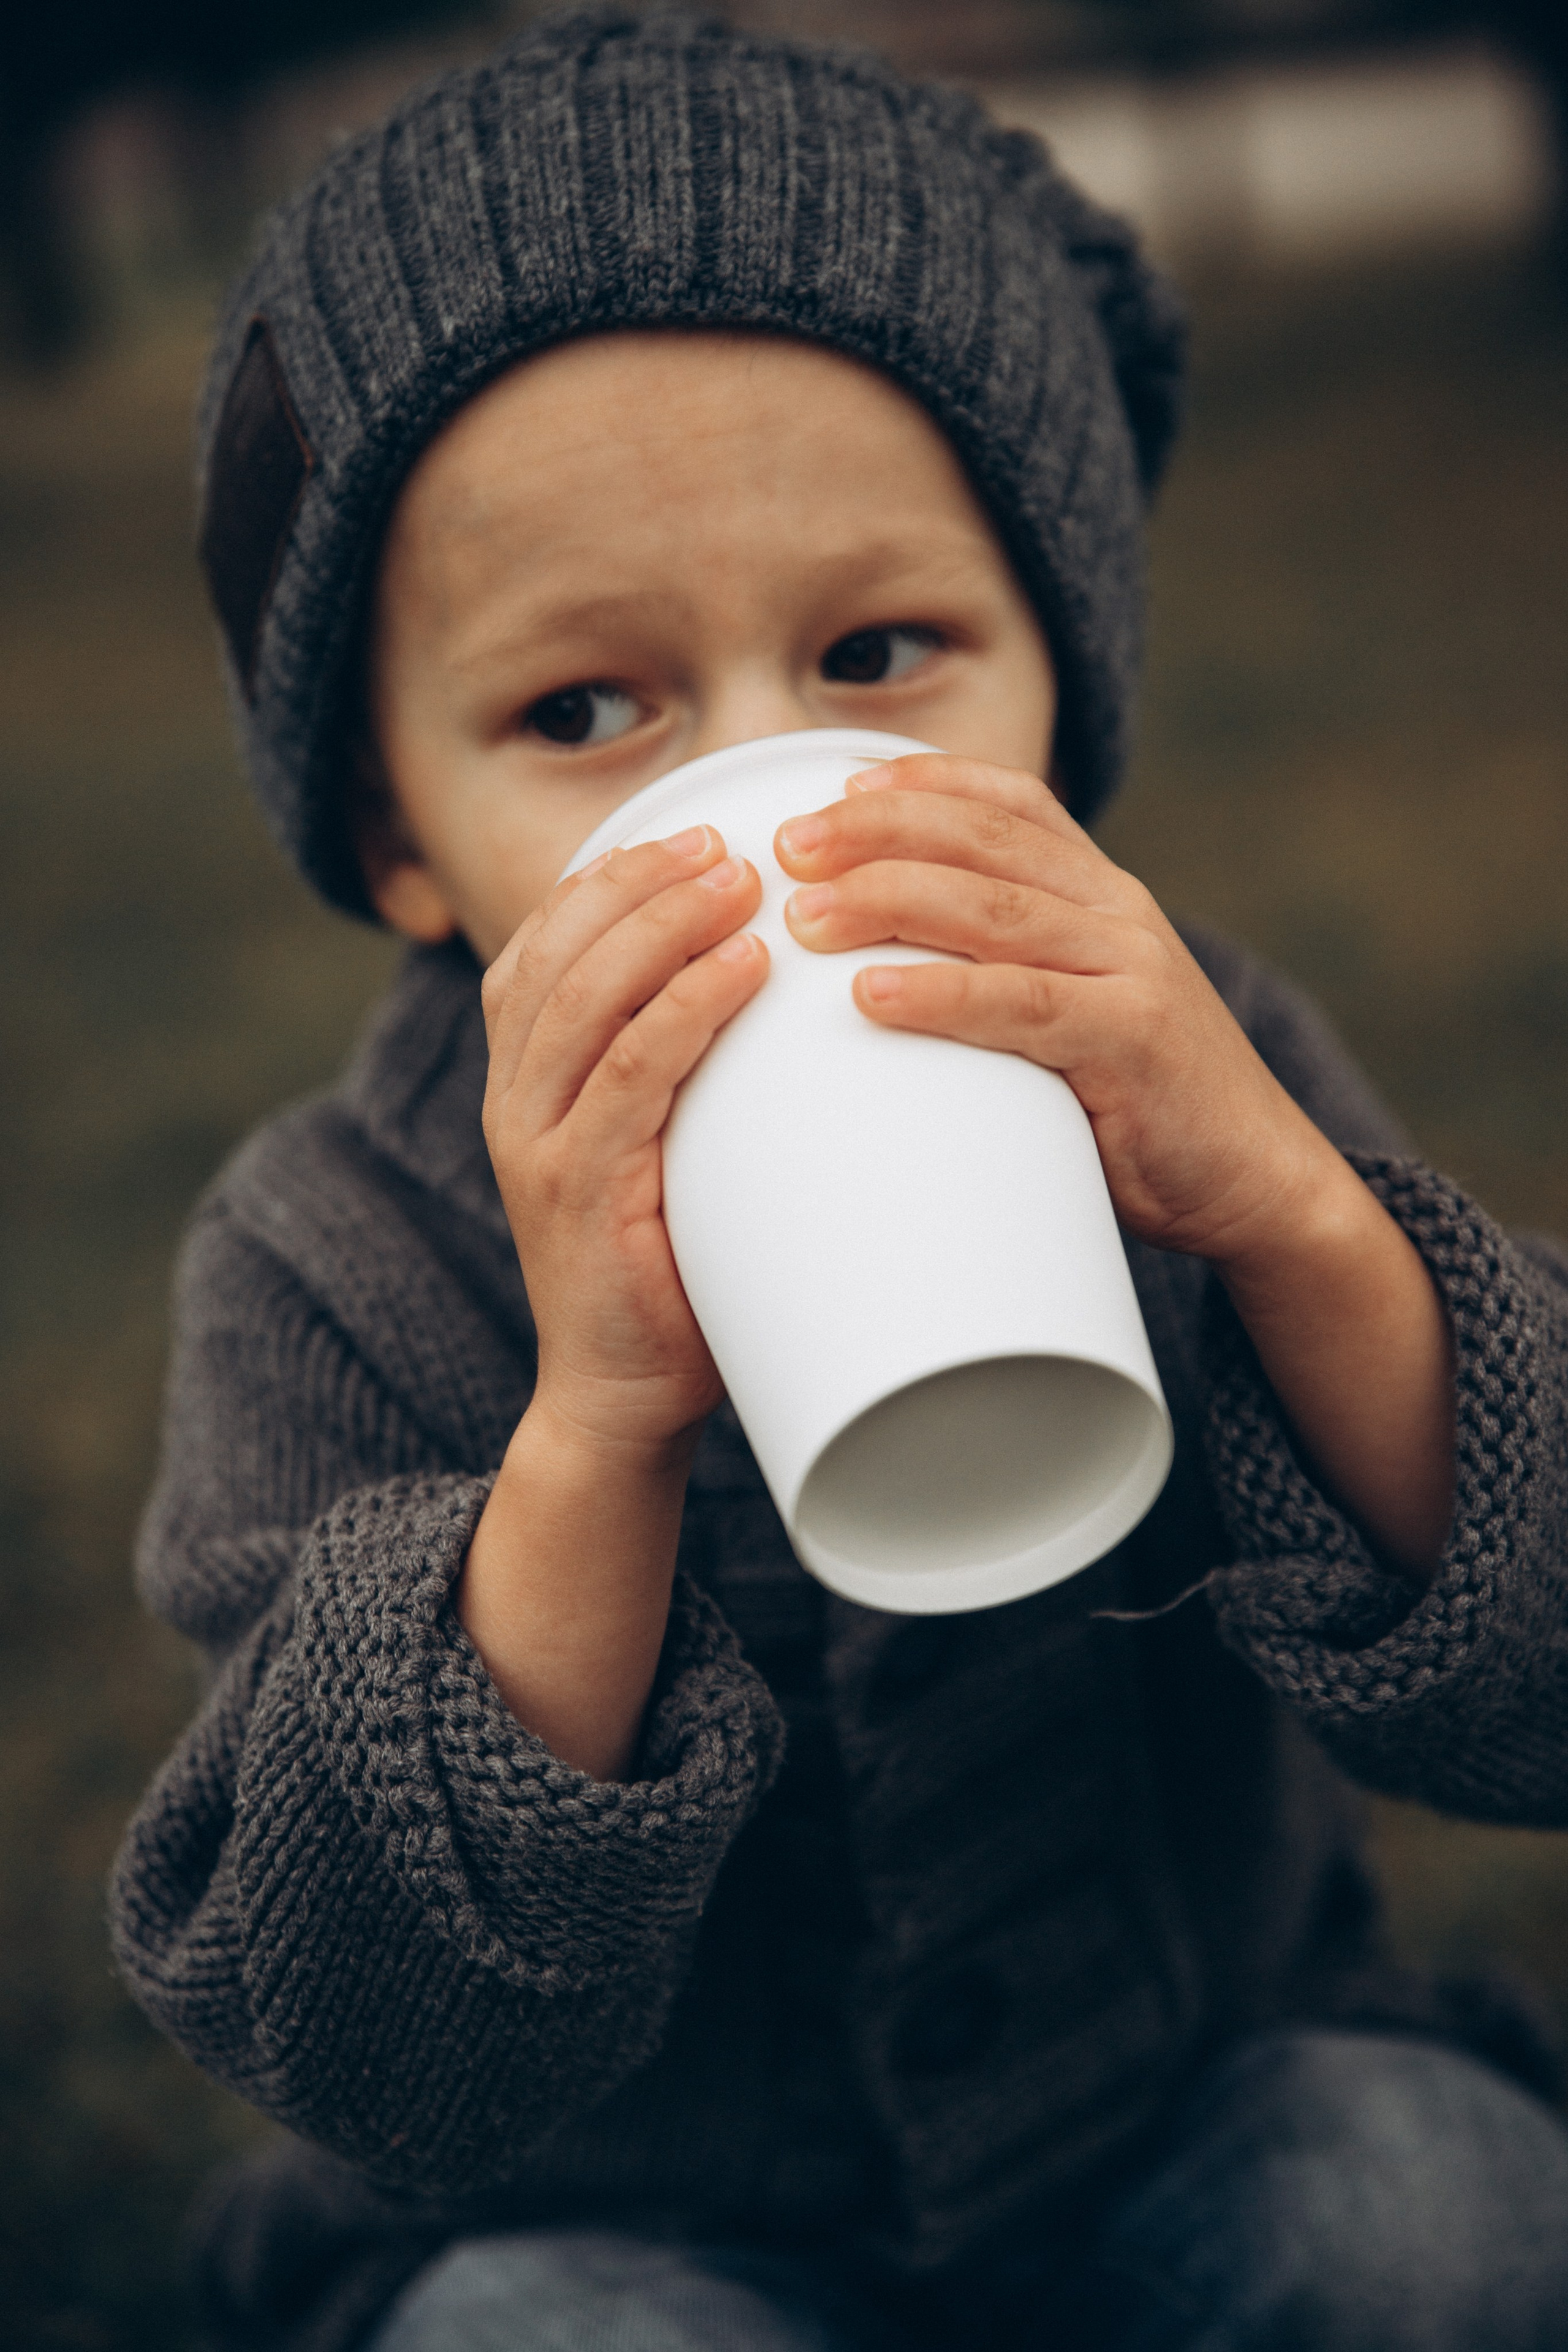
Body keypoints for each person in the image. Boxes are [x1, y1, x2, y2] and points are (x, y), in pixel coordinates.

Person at [111, 9, 1568, 2349]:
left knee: (1433, 2212)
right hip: (642, 2223)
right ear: (396, 836)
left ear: (1058, 708)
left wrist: (1296, 1222)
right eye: (583, 713)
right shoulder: (330, 1256)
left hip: (1193, 2125)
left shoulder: (1209, 1073)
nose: (775, 795)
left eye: (880, 655)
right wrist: (593, 1427)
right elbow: (359, 2033)